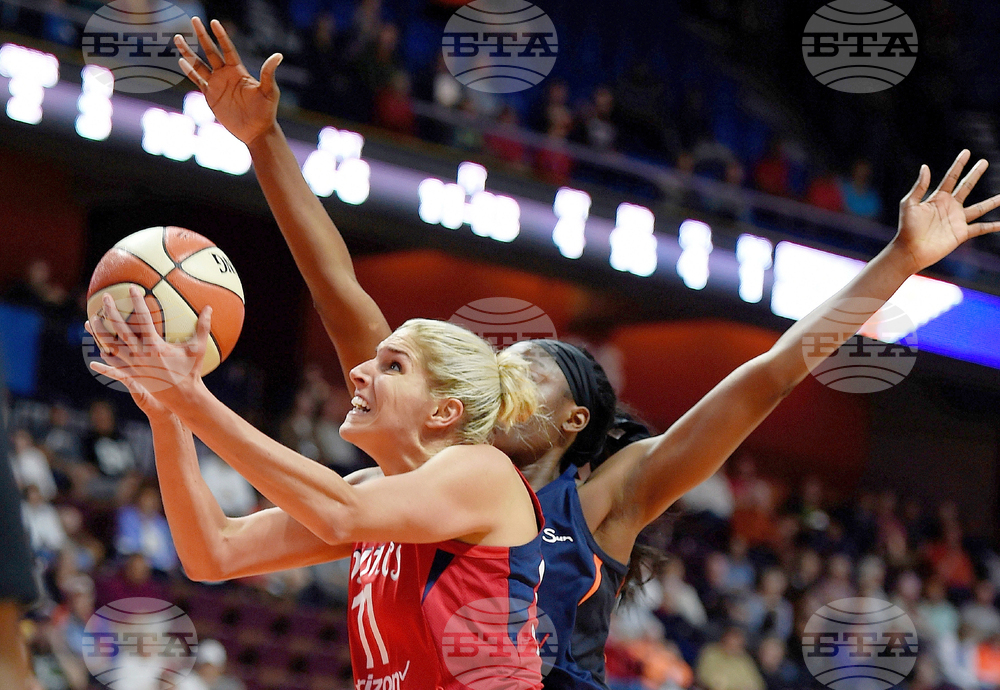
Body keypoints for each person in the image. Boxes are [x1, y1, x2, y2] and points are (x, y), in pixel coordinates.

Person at [171, 17, 1000, 690]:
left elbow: (768, 375)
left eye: (530, 364)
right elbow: (336, 282)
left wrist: (896, 264)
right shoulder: (423, 465)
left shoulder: (606, 496)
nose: (507, 367)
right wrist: (263, 142)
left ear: (572, 417)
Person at [87, 288, 546, 688]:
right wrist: (169, 414)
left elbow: (338, 512)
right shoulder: (371, 492)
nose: (360, 373)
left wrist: (192, 396)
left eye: (393, 366)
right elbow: (213, 552)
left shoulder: (485, 472)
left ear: (444, 412)